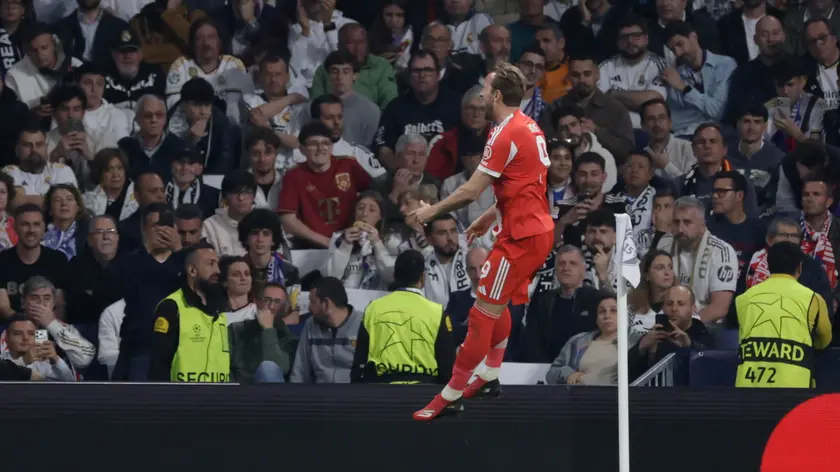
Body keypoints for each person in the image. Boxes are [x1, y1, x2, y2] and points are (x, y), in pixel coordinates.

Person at [410, 62, 554, 420]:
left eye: (486, 91)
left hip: (521, 239)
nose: (481, 96)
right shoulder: (526, 126)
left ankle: (451, 393)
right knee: (496, 304)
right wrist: (490, 216)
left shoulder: (506, 134)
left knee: (480, 315)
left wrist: (431, 212)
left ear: (498, 95)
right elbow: (523, 184)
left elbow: (471, 190)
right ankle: (489, 374)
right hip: (529, 230)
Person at [351, 249, 456, 384]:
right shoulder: (437, 312)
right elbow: (447, 368)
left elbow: (359, 362)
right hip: (424, 390)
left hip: (380, 390)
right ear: (422, 277)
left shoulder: (373, 309)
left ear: (394, 276)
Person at [736, 242, 832, 388]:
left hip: (748, 386)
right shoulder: (813, 299)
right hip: (796, 387)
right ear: (799, 267)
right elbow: (824, 340)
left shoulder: (744, 299)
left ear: (768, 266)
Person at [148, 242, 229, 383]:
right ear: (192, 271)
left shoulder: (220, 309)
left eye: (217, 264)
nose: (217, 271)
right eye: (210, 264)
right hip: (182, 395)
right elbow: (159, 364)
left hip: (219, 395)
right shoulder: (172, 307)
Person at [290, 276, 363, 384]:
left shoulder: (364, 324)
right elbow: (300, 371)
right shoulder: (310, 324)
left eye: (312, 302)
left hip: (354, 392)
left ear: (326, 304)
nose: (309, 307)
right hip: (320, 392)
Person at [229, 282, 295, 384]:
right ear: (257, 302)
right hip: (239, 389)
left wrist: (268, 329)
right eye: (266, 300)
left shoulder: (285, 334)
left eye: (277, 302)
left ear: (285, 307)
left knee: (267, 368)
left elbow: (279, 368)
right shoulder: (236, 329)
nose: (271, 306)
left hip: (271, 391)